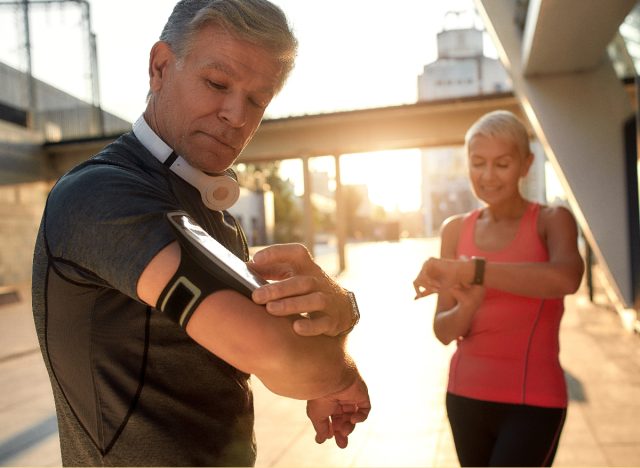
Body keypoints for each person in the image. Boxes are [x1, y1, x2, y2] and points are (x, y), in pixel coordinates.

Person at [31, 1, 369, 466]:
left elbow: (272, 353)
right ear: (160, 67)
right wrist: (334, 370)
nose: (237, 114)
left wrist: (337, 315)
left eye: (257, 100)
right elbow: (287, 359)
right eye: (217, 83)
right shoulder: (101, 195)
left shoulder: (217, 218)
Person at [413, 110, 584, 467]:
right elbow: (444, 332)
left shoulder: (552, 221)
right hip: (464, 396)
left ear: (526, 164)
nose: (487, 176)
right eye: (478, 163)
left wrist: (475, 271)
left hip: (534, 401)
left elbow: (565, 278)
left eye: (502, 164)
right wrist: (468, 306)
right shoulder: (455, 230)